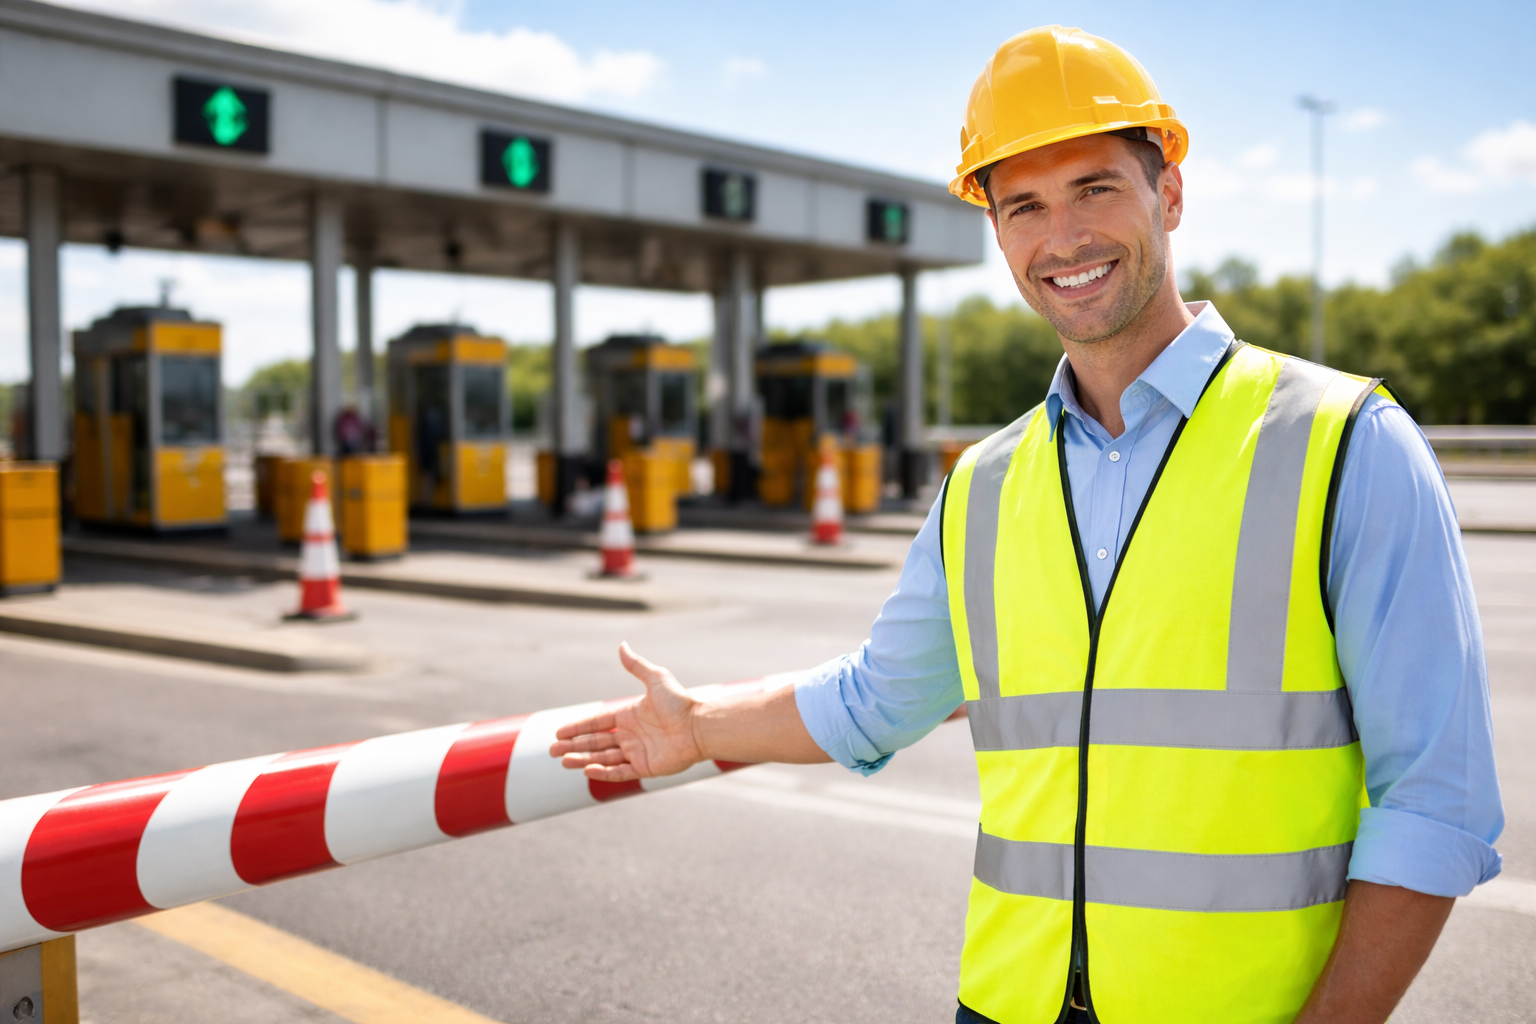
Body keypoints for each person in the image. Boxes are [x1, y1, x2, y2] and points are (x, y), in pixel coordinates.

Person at [550, 25, 1502, 1024]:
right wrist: (696, 724)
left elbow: (1435, 799)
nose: (1064, 238)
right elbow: (880, 697)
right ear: (998, 233)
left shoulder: (1346, 442)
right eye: (1025, 207)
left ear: (1168, 194)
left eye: (1096, 187)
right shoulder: (986, 484)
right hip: (1008, 1006)